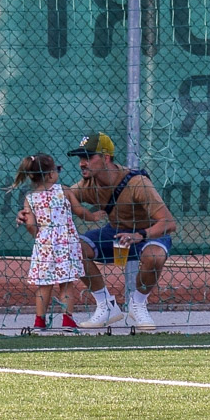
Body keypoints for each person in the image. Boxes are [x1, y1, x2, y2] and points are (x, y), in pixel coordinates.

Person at [65, 131, 178, 332]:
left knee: (155, 257)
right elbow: (59, 198)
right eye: (81, 158)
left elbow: (168, 222)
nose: (82, 163)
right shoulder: (87, 185)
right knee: (73, 247)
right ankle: (106, 306)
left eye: (89, 157)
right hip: (116, 234)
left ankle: (138, 304)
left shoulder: (137, 183)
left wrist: (140, 235)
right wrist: (28, 210)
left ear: (106, 157)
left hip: (148, 234)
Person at [12, 152, 95, 332]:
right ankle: (67, 320)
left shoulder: (30, 198)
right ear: (50, 174)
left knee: (44, 284)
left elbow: (31, 225)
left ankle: (39, 321)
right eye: (57, 169)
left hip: (44, 245)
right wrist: (94, 216)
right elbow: (80, 211)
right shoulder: (63, 190)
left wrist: (39, 235)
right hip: (66, 243)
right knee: (66, 283)